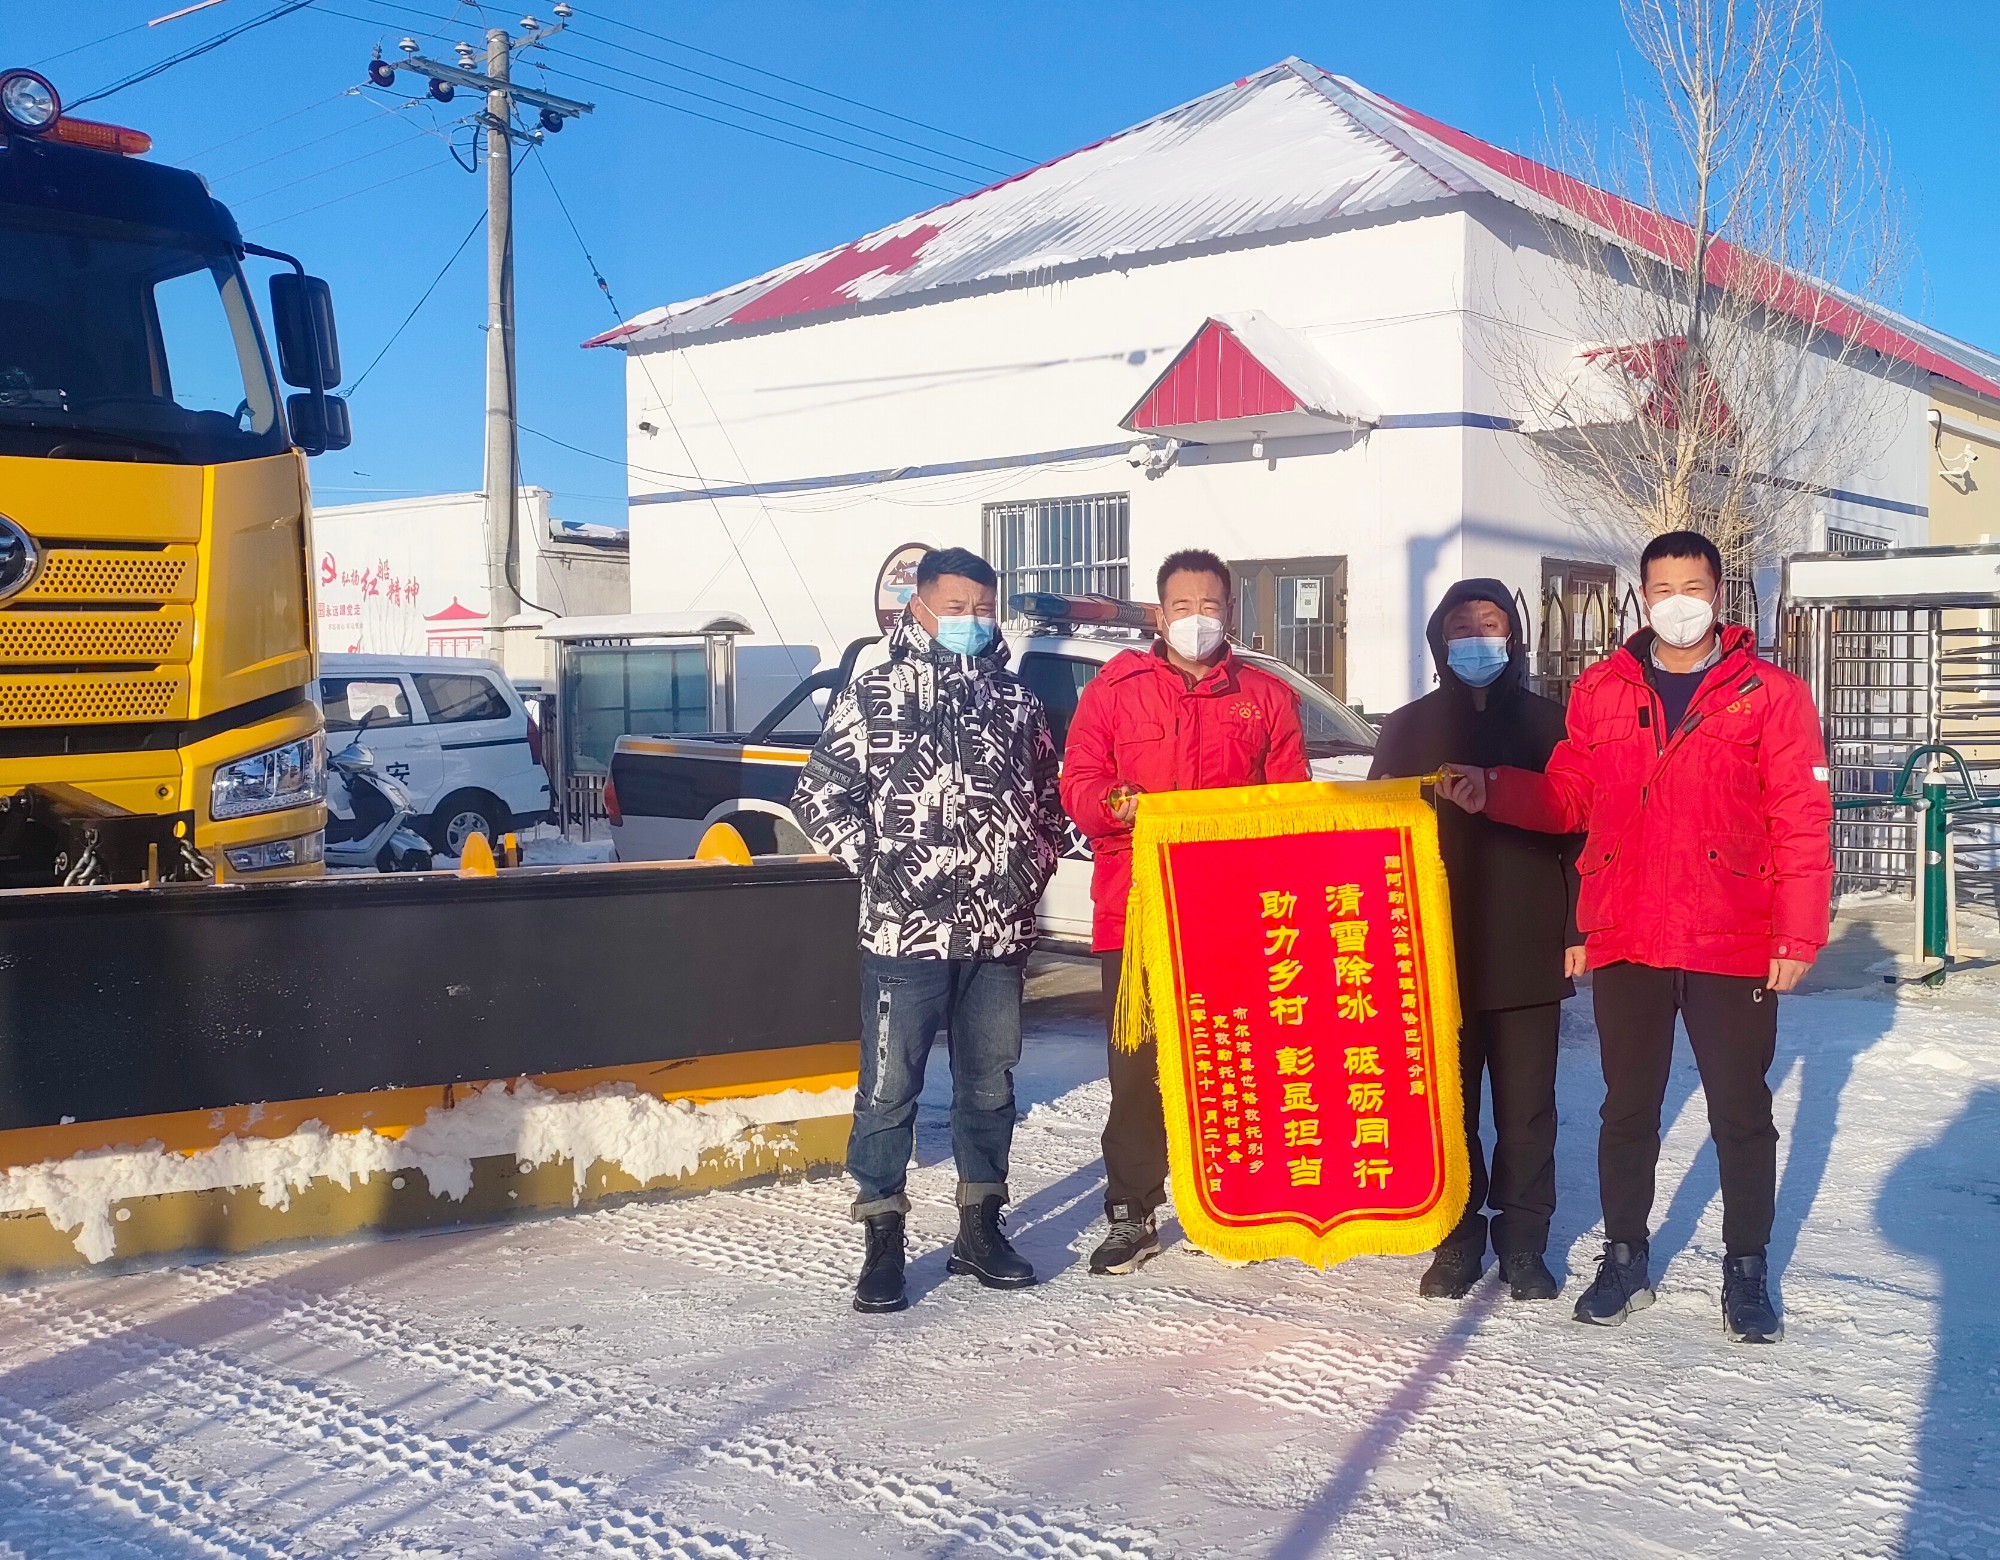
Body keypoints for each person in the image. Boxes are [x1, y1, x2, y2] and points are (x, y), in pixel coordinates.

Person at [1436, 531, 1833, 1343]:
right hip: (1631, 931)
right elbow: (1571, 798)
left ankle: (1747, 1270)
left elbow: (1801, 818)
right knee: (1627, 1111)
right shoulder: (1603, 690)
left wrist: (1796, 935)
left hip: (1732, 932)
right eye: (1662, 586)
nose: (1678, 601)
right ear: (1642, 595)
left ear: (1719, 594)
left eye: (1694, 585)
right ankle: (1625, 1260)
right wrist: (1496, 790)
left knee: (1741, 1112)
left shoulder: (1771, 694)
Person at [793, 546, 1065, 1314]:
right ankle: (883, 1239)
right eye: (956, 608)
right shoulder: (874, 694)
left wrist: (1027, 870)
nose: (971, 622)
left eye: (983, 609)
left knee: (989, 1085)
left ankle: (982, 1229)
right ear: (918, 608)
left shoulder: (1018, 704)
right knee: (888, 1091)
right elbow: (819, 795)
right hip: (902, 935)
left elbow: (1049, 805)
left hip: (997, 935)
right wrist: (882, 865)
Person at [1060, 549, 1310, 1275]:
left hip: (1231, 915)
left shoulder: (1263, 696)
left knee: (1233, 1063)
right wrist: (1113, 803)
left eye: (1210, 606)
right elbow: (1079, 779)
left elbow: (1288, 803)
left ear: (1229, 613)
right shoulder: (1115, 689)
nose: (1196, 618)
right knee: (1136, 1070)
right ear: (1158, 612)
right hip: (1136, 912)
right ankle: (1131, 1213)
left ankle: (1240, 1203)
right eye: (1181, 606)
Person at [1370, 580, 1582, 1303]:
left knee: (1527, 1108)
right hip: (1431, 951)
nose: (1477, 638)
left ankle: (1523, 1242)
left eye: (1491, 624)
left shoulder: (1555, 725)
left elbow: (1584, 833)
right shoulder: (1405, 728)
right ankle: (1455, 1238)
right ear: (1439, 640)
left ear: (1514, 637)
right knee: (1445, 1107)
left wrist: (1576, 929)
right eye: (1461, 626)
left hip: (1526, 946)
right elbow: (1369, 839)